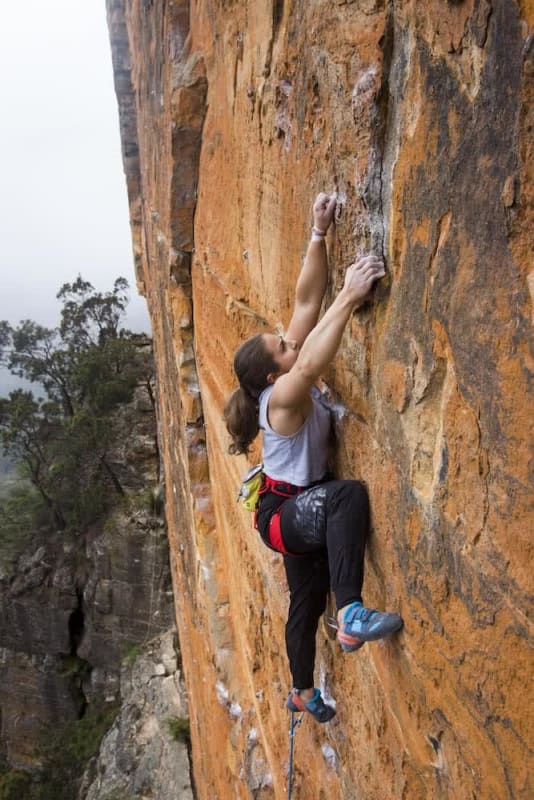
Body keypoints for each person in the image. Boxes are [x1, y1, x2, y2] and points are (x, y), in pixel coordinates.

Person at [224, 192, 403, 723]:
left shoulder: (283, 371)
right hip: (285, 513)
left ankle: (301, 690)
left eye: (282, 339)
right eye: (282, 346)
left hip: (295, 505)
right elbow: (307, 365)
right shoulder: (281, 397)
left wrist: (318, 233)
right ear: (274, 375)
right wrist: (349, 298)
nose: (290, 340)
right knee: (345, 497)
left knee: (305, 599)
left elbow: (305, 303)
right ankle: (351, 614)